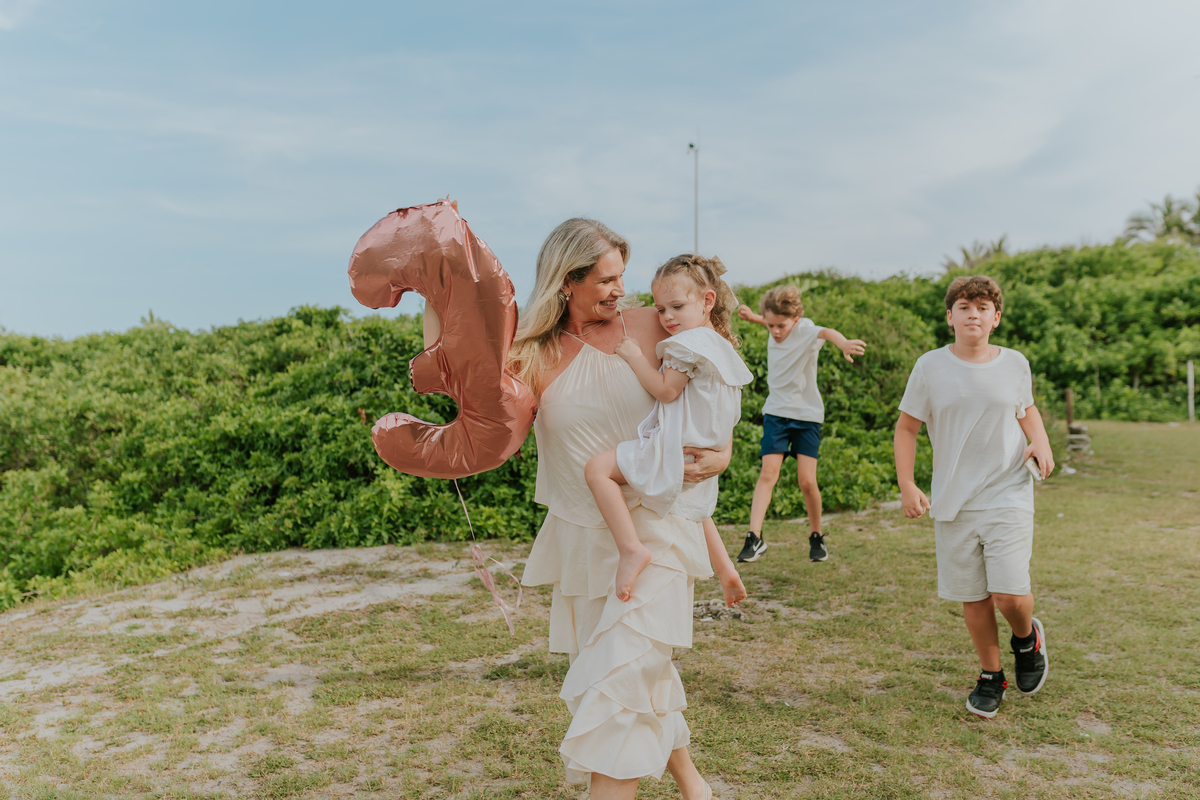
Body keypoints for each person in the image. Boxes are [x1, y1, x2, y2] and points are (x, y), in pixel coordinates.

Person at [510, 218, 733, 800]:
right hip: (584, 537)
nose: (618, 291)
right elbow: (459, 388)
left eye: (621, 277)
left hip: (658, 527)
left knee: (622, 673)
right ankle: (692, 783)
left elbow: (712, 391)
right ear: (567, 281)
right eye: (605, 280)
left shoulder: (652, 325)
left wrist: (725, 452)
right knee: (624, 671)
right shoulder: (528, 354)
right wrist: (438, 286)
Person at [893, 275, 1053, 719]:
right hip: (953, 499)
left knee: (1009, 594)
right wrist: (907, 483)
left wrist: (1040, 440)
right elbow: (907, 427)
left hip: (1008, 491)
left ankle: (1027, 638)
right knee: (974, 596)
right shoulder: (929, 367)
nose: (973, 314)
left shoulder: (1015, 363)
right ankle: (990, 675)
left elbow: (1027, 409)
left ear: (996, 318)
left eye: (983, 308)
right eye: (964, 307)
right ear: (950, 317)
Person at [584, 254, 752, 605]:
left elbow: (666, 390)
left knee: (597, 470)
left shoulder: (687, 345)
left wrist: (633, 357)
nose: (667, 318)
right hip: (704, 447)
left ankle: (631, 549)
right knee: (695, 510)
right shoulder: (721, 346)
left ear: (708, 301)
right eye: (661, 310)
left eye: (676, 306)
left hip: (676, 447)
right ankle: (726, 571)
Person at [736, 285, 866, 563]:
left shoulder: (805, 329)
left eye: (781, 325)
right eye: (770, 325)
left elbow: (826, 332)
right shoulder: (774, 325)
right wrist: (754, 319)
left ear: (795, 320)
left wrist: (842, 343)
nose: (775, 332)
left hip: (807, 416)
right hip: (776, 414)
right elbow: (771, 322)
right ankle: (754, 537)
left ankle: (816, 536)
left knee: (807, 482)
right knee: (768, 473)